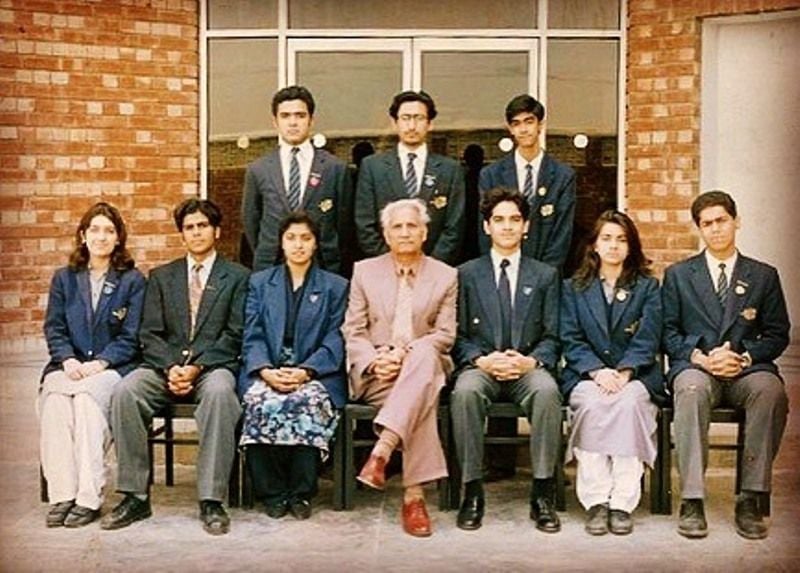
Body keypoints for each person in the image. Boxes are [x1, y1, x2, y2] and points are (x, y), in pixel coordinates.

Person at [101, 199, 249, 536]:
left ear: (217, 231)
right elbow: (149, 333)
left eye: (202, 226)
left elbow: (235, 334)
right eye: (189, 227)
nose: (196, 233)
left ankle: (211, 499)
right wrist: (171, 366)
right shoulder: (162, 277)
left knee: (221, 394)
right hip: (163, 368)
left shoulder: (238, 277)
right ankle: (136, 496)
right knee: (127, 391)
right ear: (182, 234)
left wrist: (196, 367)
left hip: (213, 367)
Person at [662, 190, 790, 540]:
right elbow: (668, 332)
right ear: (699, 229)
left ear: (736, 221)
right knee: (689, 389)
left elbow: (778, 333)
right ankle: (692, 499)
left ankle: (750, 497)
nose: (716, 229)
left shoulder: (763, 275)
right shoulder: (678, 275)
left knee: (770, 391)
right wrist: (701, 357)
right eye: (707, 224)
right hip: (698, 368)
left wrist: (744, 356)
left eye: (722, 220)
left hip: (745, 369)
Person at [343, 198, 457, 538]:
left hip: (422, 365)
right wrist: (375, 361)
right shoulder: (364, 271)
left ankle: (383, 451)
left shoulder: (446, 275)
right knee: (423, 397)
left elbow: (445, 335)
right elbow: (353, 330)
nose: (405, 232)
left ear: (424, 232)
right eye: (398, 226)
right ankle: (414, 498)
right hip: (379, 374)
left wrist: (405, 355)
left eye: (412, 226)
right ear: (386, 234)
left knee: (423, 356)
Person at [450, 187, 562, 533]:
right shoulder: (466, 274)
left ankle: (542, 493)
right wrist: (481, 360)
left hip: (526, 368)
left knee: (547, 392)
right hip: (482, 367)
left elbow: (554, 335)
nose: (507, 226)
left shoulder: (545, 275)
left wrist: (532, 362)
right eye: (499, 220)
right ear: (487, 227)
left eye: (515, 219)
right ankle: (472, 492)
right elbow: (457, 335)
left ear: (526, 226)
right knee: (464, 393)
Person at [40, 202, 146, 528]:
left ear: (119, 238)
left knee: (86, 403)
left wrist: (101, 362)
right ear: (83, 235)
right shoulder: (64, 279)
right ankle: (63, 495)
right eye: (95, 230)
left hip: (111, 367)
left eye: (109, 231)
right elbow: (54, 327)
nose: (101, 237)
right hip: (69, 366)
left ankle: (88, 497)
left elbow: (132, 336)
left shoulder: (132, 281)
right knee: (56, 403)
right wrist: (68, 359)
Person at [560, 210, 665, 536]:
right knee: (592, 405)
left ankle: (621, 502)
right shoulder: (573, 288)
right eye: (606, 238)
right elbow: (570, 338)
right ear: (594, 244)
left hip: (635, 375)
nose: (613, 245)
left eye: (621, 239)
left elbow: (649, 337)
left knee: (628, 405)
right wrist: (596, 372)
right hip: (587, 375)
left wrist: (625, 371)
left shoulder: (647, 287)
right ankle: (596, 501)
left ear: (631, 246)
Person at [238, 211, 348, 520]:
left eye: (305, 238)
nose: (298, 245)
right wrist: (264, 370)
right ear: (281, 243)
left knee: (306, 401)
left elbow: (337, 337)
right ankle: (272, 492)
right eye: (291, 238)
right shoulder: (260, 283)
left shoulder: (335, 286)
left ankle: (301, 493)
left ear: (315, 244)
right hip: (268, 368)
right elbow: (252, 333)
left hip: (316, 371)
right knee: (260, 401)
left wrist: (306, 371)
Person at [242, 85, 353, 274]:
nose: (293, 122)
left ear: (311, 120)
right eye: (285, 116)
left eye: (300, 115)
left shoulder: (335, 168)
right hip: (271, 267)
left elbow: (344, 225)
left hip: (323, 267)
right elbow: (251, 222)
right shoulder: (259, 169)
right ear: (275, 122)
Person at [354, 90, 465, 266]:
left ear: (430, 124)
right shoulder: (373, 167)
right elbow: (364, 224)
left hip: (435, 271)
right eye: (405, 118)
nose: (412, 126)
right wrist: (392, 264)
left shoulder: (450, 170)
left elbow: (454, 227)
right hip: (385, 269)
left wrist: (431, 267)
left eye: (419, 118)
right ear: (394, 123)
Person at [478, 94, 576, 273]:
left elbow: (562, 234)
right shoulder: (491, 175)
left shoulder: (562, 176)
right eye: (516, 124)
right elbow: (485, 231)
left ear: (540, 125)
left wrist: (544, 276)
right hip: (503, 273)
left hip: (547, 275)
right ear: (510, 129)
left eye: (529, 122)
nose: (523, 129)